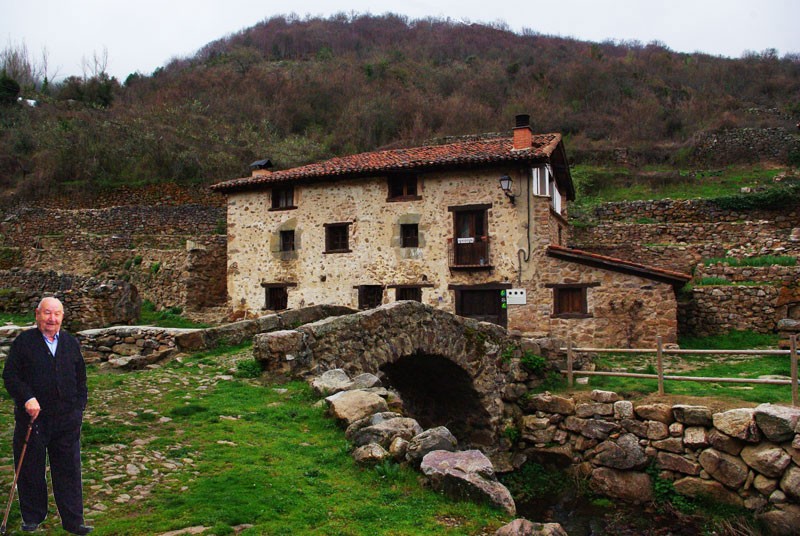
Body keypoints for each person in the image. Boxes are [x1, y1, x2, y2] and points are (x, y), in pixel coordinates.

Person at [3, 297, 93, 535]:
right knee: (31, 468)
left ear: (62, 317)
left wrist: (79, 407)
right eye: (47, 314)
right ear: (37, 314)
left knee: (69, 470)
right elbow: (10, 376)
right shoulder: (24, 343)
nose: (52, 319)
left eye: (57, 314)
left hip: (66, 419)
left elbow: (80, 377)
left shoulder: (70, 343)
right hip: (34, 420)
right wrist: (26, 398)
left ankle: (73, 521)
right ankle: (33, 516)